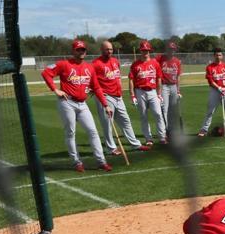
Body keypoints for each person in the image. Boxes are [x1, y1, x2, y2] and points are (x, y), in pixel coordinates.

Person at [41, 40, 113, 173]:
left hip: (82, 104)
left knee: (93, 131)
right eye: (78, 50)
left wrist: (106, 105)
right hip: (67, 102)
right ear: (73, 51)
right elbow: (46, 73)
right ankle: (77, 162)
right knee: (70, 132)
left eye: (83, 50)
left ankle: (101, 161)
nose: (81, 52)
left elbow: (96, 87)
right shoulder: (64, 64)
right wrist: (55, 89)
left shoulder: (89, 67)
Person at [92, 41, 151, 156]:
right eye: (106, 49)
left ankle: (135, 144)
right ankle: (111, 148)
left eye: (110, 49)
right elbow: (90, 78)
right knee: (108, 124)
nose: (109, 51)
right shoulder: (96, 63)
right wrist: (94, 90)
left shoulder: (115, 61)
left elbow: (117, 78)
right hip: (105, 96)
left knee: (126, 121)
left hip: (118, 96)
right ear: (101, 50)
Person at [129, 40, 167, 145]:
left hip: (153, 91)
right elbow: (131, 80)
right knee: (143, 116)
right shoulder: (135, 64)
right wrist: (132, 95)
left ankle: (162, 137)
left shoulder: (155, 63)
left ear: (149, 51)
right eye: (143, 50)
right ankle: (148, 138)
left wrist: (159, 94)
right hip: (140, 91)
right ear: (140, 51)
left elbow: (159, 79)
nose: (145, 52)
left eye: (147, 50)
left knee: (158, 114)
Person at [156, 41, 183, 138]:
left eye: (173, 49)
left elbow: (178, 76)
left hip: (173, 86)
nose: (171, 51)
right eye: (169, 49)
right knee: (165, 109)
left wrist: (178, 90)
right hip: (164, 86)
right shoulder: (160, 58)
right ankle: (167, 130)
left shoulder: (177, 61)